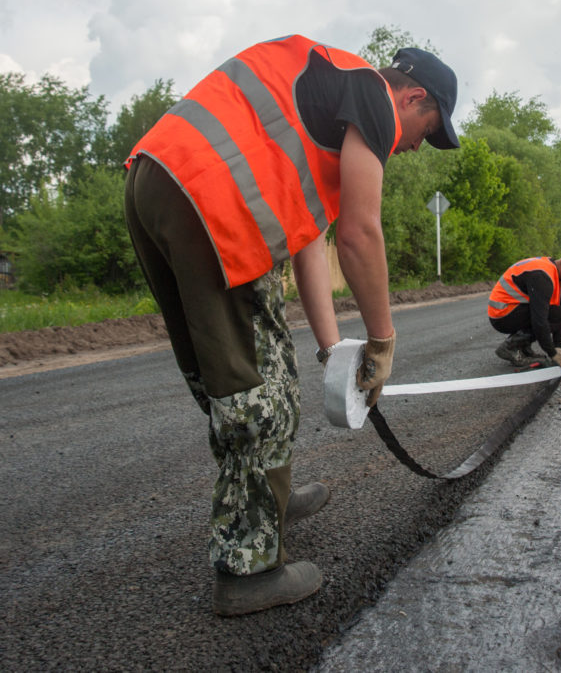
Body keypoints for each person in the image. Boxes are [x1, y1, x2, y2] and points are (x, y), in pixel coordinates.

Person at [122, 34, 459, 616]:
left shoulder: (329, 93)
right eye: (427, 131)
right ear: (413, 97)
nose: (414, 149)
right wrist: (383, 341)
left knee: (238, 373)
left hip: (157, 179)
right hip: (215, 202)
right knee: (256, 395)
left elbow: (312, 241)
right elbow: (359, 233)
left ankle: (268, 503)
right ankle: (248, 571)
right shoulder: (373, 96)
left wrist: (334, 350)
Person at [487, 250, 561, 371]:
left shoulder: (556, 274)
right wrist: (552, 353)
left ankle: (523, 347)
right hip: (502, 314)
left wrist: (559, 346)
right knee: (557, 315)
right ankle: (510, 347)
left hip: (515, 309)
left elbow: (557, 309)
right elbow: (540, 321)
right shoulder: (542, 276)